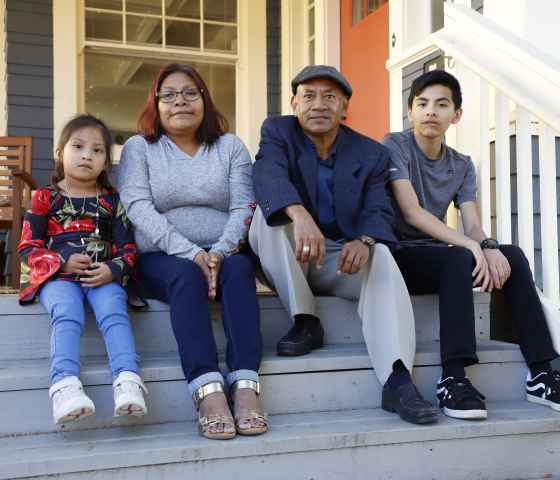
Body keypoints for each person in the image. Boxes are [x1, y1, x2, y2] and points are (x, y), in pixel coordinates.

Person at [250, 65, 439, 425]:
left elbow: (379, 208)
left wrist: (365, 240)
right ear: (294, 103)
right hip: (289, 255)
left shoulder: (370, 153)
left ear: (344, 108)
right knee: (267, 217)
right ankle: (305, 319)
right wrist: (299, 214)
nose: (319, 104)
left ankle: (397, 378)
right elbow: (267, 174)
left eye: (330, 97)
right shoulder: (277, 132)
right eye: (309, 96)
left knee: (382, 255)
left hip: (335, 259)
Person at [383, 69, 560, 420]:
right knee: (458, 260)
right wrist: (469, 247)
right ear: (410, 111)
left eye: (442, 104)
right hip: (396, 255)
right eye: (422, 104)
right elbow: (412, 211)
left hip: (441, 252)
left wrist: (488, 246)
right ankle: (452, 377)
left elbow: (473, 223)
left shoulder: (462, 164)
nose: (431, 111)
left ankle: (541, 371)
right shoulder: (395, 146)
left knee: (512, 255)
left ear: (456, 114)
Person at [118, 63, 267, 440]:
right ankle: (208, 390)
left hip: (223, 251)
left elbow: (243, 206)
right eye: (168, 95)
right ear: (156, 103)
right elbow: (137, 207)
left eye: (189, 92)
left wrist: (216, 253)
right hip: (160, 257)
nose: (179, 101)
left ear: (204, 99)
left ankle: (246, 385)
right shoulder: (140, 148)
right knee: (185, 276)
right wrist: (191, 254)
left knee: (238, 271)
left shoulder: (229, 146)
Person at [18, 114, 147, 425]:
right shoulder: (43, 199)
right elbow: (27, 248)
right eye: (78, 146)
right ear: (60, 153)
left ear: (106, 161)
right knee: (66, 312)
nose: (87, 155)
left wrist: (112, 271)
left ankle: (128, 379)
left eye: (97, 150)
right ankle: (64, 385)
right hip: (58, 278)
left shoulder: (112, 202)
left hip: (101, 277)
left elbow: (128, 249)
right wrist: (61, 262)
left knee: (113, 310)